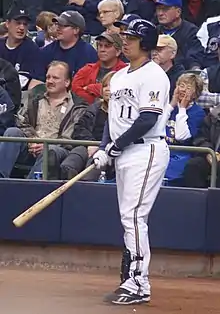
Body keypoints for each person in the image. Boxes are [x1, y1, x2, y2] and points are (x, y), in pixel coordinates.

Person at [93, 19, 170, 305]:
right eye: (124, 35)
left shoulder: (154, 75)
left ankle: (139, 284)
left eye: (131, 37)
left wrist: (116, 146)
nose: (124, 40)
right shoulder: (119, 76)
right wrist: (104, 148)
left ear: (146, 43)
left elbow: (148, 119)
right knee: (130, 217)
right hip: (125, 151)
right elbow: (111, 119)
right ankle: (129, 278)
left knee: (134, 217)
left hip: (146, 150)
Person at [0, 61, 87, 179]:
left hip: (58, 149)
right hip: (31, 145)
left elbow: (70, 137)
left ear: (67, 82)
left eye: (55, 78)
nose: (50, 81)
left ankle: (30, 189)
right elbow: (21, 122)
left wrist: (45, 145)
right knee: (12, 132)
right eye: (48, 77)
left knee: (50, 151)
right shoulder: (34, 98)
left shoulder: (77, 106)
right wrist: (32, 140)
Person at [48, 71, 114, 180]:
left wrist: (99, 147)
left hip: (107, 150)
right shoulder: (94, 108)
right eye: (104, 86)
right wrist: (90, 144)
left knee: (90, 170)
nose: (107, 89)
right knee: (68, 166)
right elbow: (79, 129)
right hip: (87, 145)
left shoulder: (124, 111)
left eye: (110, 86)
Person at [29, 11, 98, 89]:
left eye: (63, 26)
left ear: (76, 30)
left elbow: (87, 87)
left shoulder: (88, 53)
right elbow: (36, 82)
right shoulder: (46, 51)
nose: (57, 28)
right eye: (57, 24)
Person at [164, 73, 205, 185]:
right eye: (181, 85)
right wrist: (172, 104)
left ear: (195, 94)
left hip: (181, 155)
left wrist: (182, 109)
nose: (183, 90)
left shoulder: (198, 112)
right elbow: (157, 125)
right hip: (161, 151)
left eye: (188, 88)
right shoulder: (168, 107)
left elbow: (181, 137)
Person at [71, 32, 126, 104]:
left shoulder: (124, 71)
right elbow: (75, 90)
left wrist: (90, 88)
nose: (102, 49)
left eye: (107, 46)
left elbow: (118, 91)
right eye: (100, 45)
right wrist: (96, 101)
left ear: (118, 52)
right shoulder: (87, 69)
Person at [156, 0, 205, 69]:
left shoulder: (191, 31)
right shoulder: (155, 31)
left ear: (178, 12)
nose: (160, 13)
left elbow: (195, 58)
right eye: (158, 9)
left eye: (165, 9)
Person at [0, 7, 42, 90]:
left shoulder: (31, 49)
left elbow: (21, 82)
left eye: (25, 24)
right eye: (18, 23)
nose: (22, 28)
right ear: (7, 24)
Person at [151, 34, 185, 99]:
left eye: (159, 50)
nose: (154, 53)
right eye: (153, 49)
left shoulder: (181, 78)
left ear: (173, 53)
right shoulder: (145, 73)